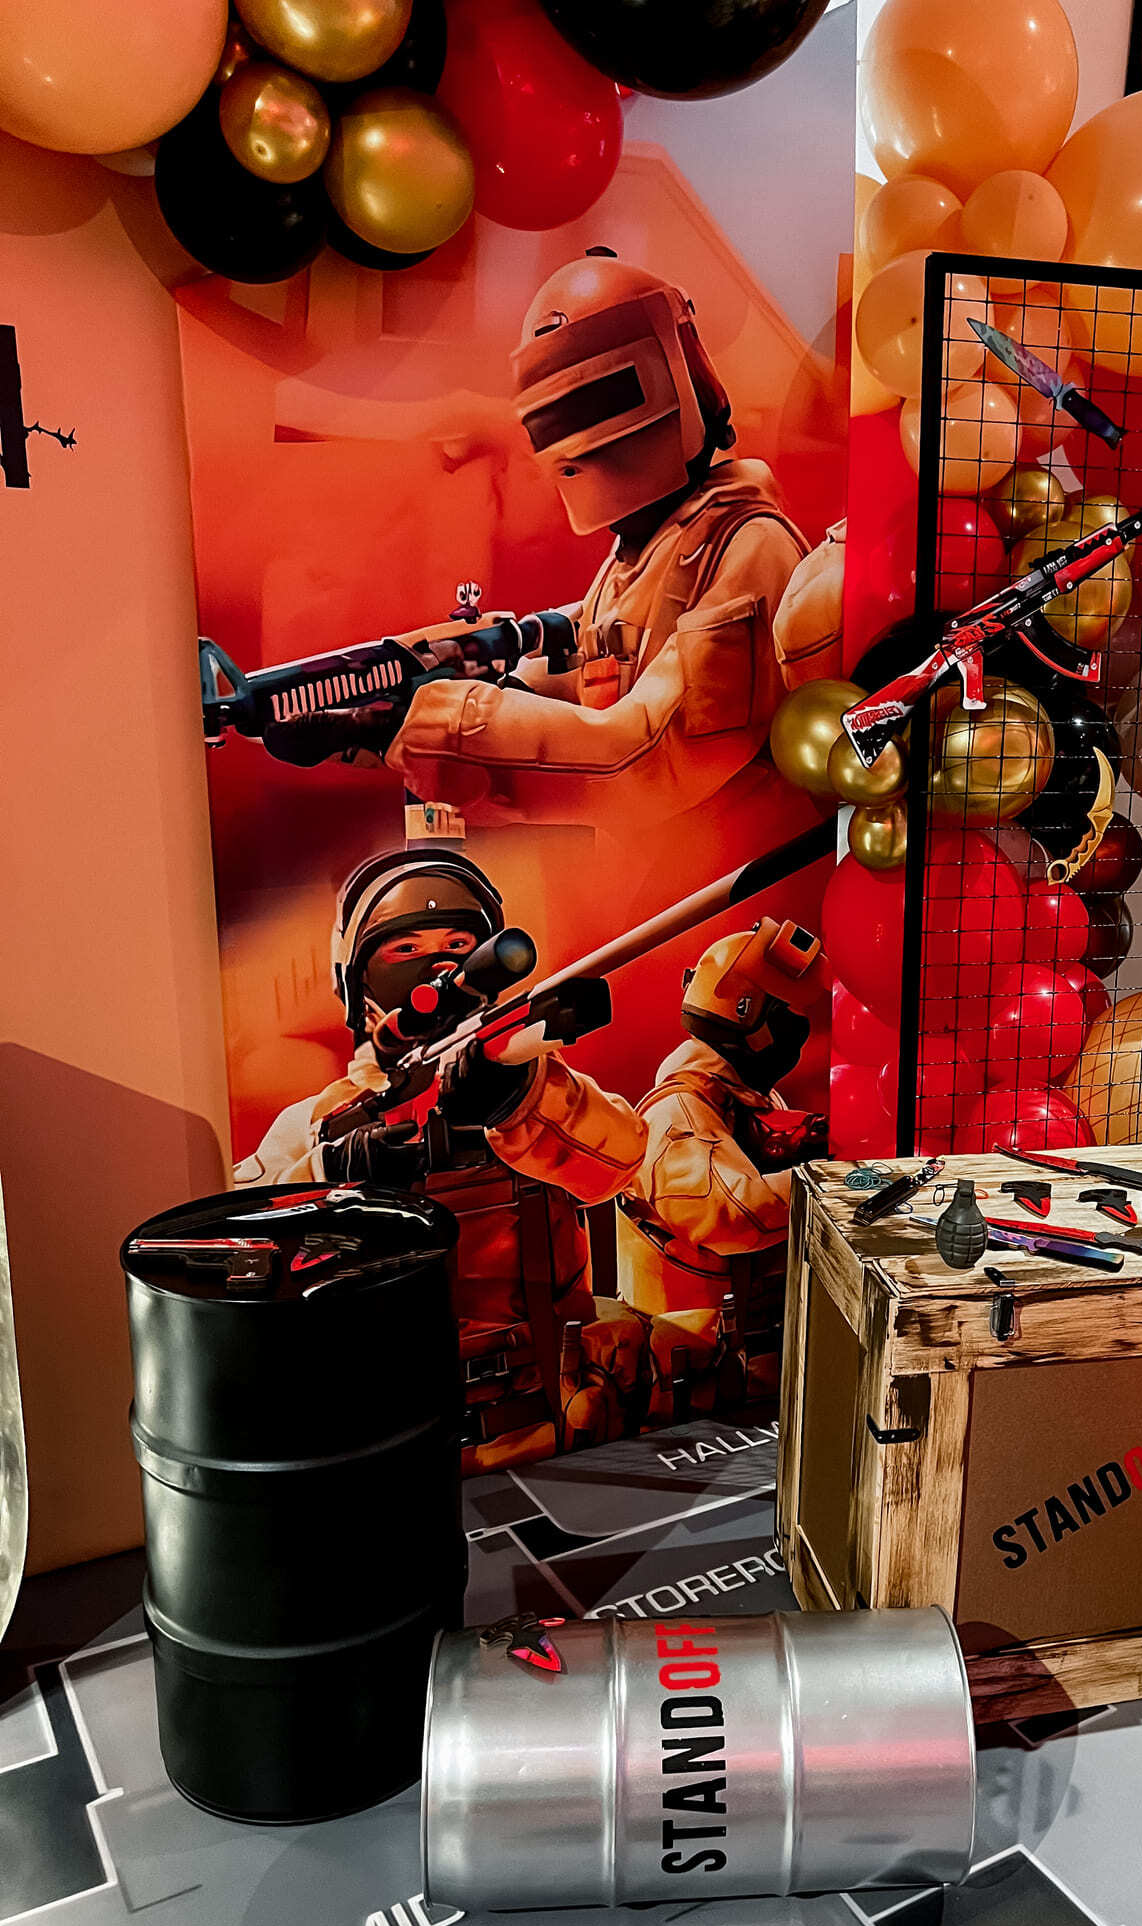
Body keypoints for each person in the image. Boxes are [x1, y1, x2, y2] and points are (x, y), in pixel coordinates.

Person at [267, 250, 811, 842]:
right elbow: (588, 683)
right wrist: (380, 722)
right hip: (651, 872)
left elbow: (648, 756)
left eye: (588, 404)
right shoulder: (644, 552)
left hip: (737, 874)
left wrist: (425, 722)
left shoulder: (749, 549)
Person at [235, 846, 650, 1469]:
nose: (438, 965)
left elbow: (620, 1163)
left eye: (460, 945)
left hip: (556, 1420)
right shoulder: (316, 1122)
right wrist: (332, 1174)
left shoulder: (533, 1082)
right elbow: (239, 1254)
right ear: (358, 978)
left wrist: (519, 1103)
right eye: (406, 948)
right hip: (388, 1440)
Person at [616, 917, 828, 1395]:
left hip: (746, 1351)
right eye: (787, 1013)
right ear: (747, 1015)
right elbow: (735, 1218)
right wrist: (840, 1179)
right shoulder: (677, 1115)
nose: (798, 1027)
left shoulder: (739, 1097)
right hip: (690, 1373)